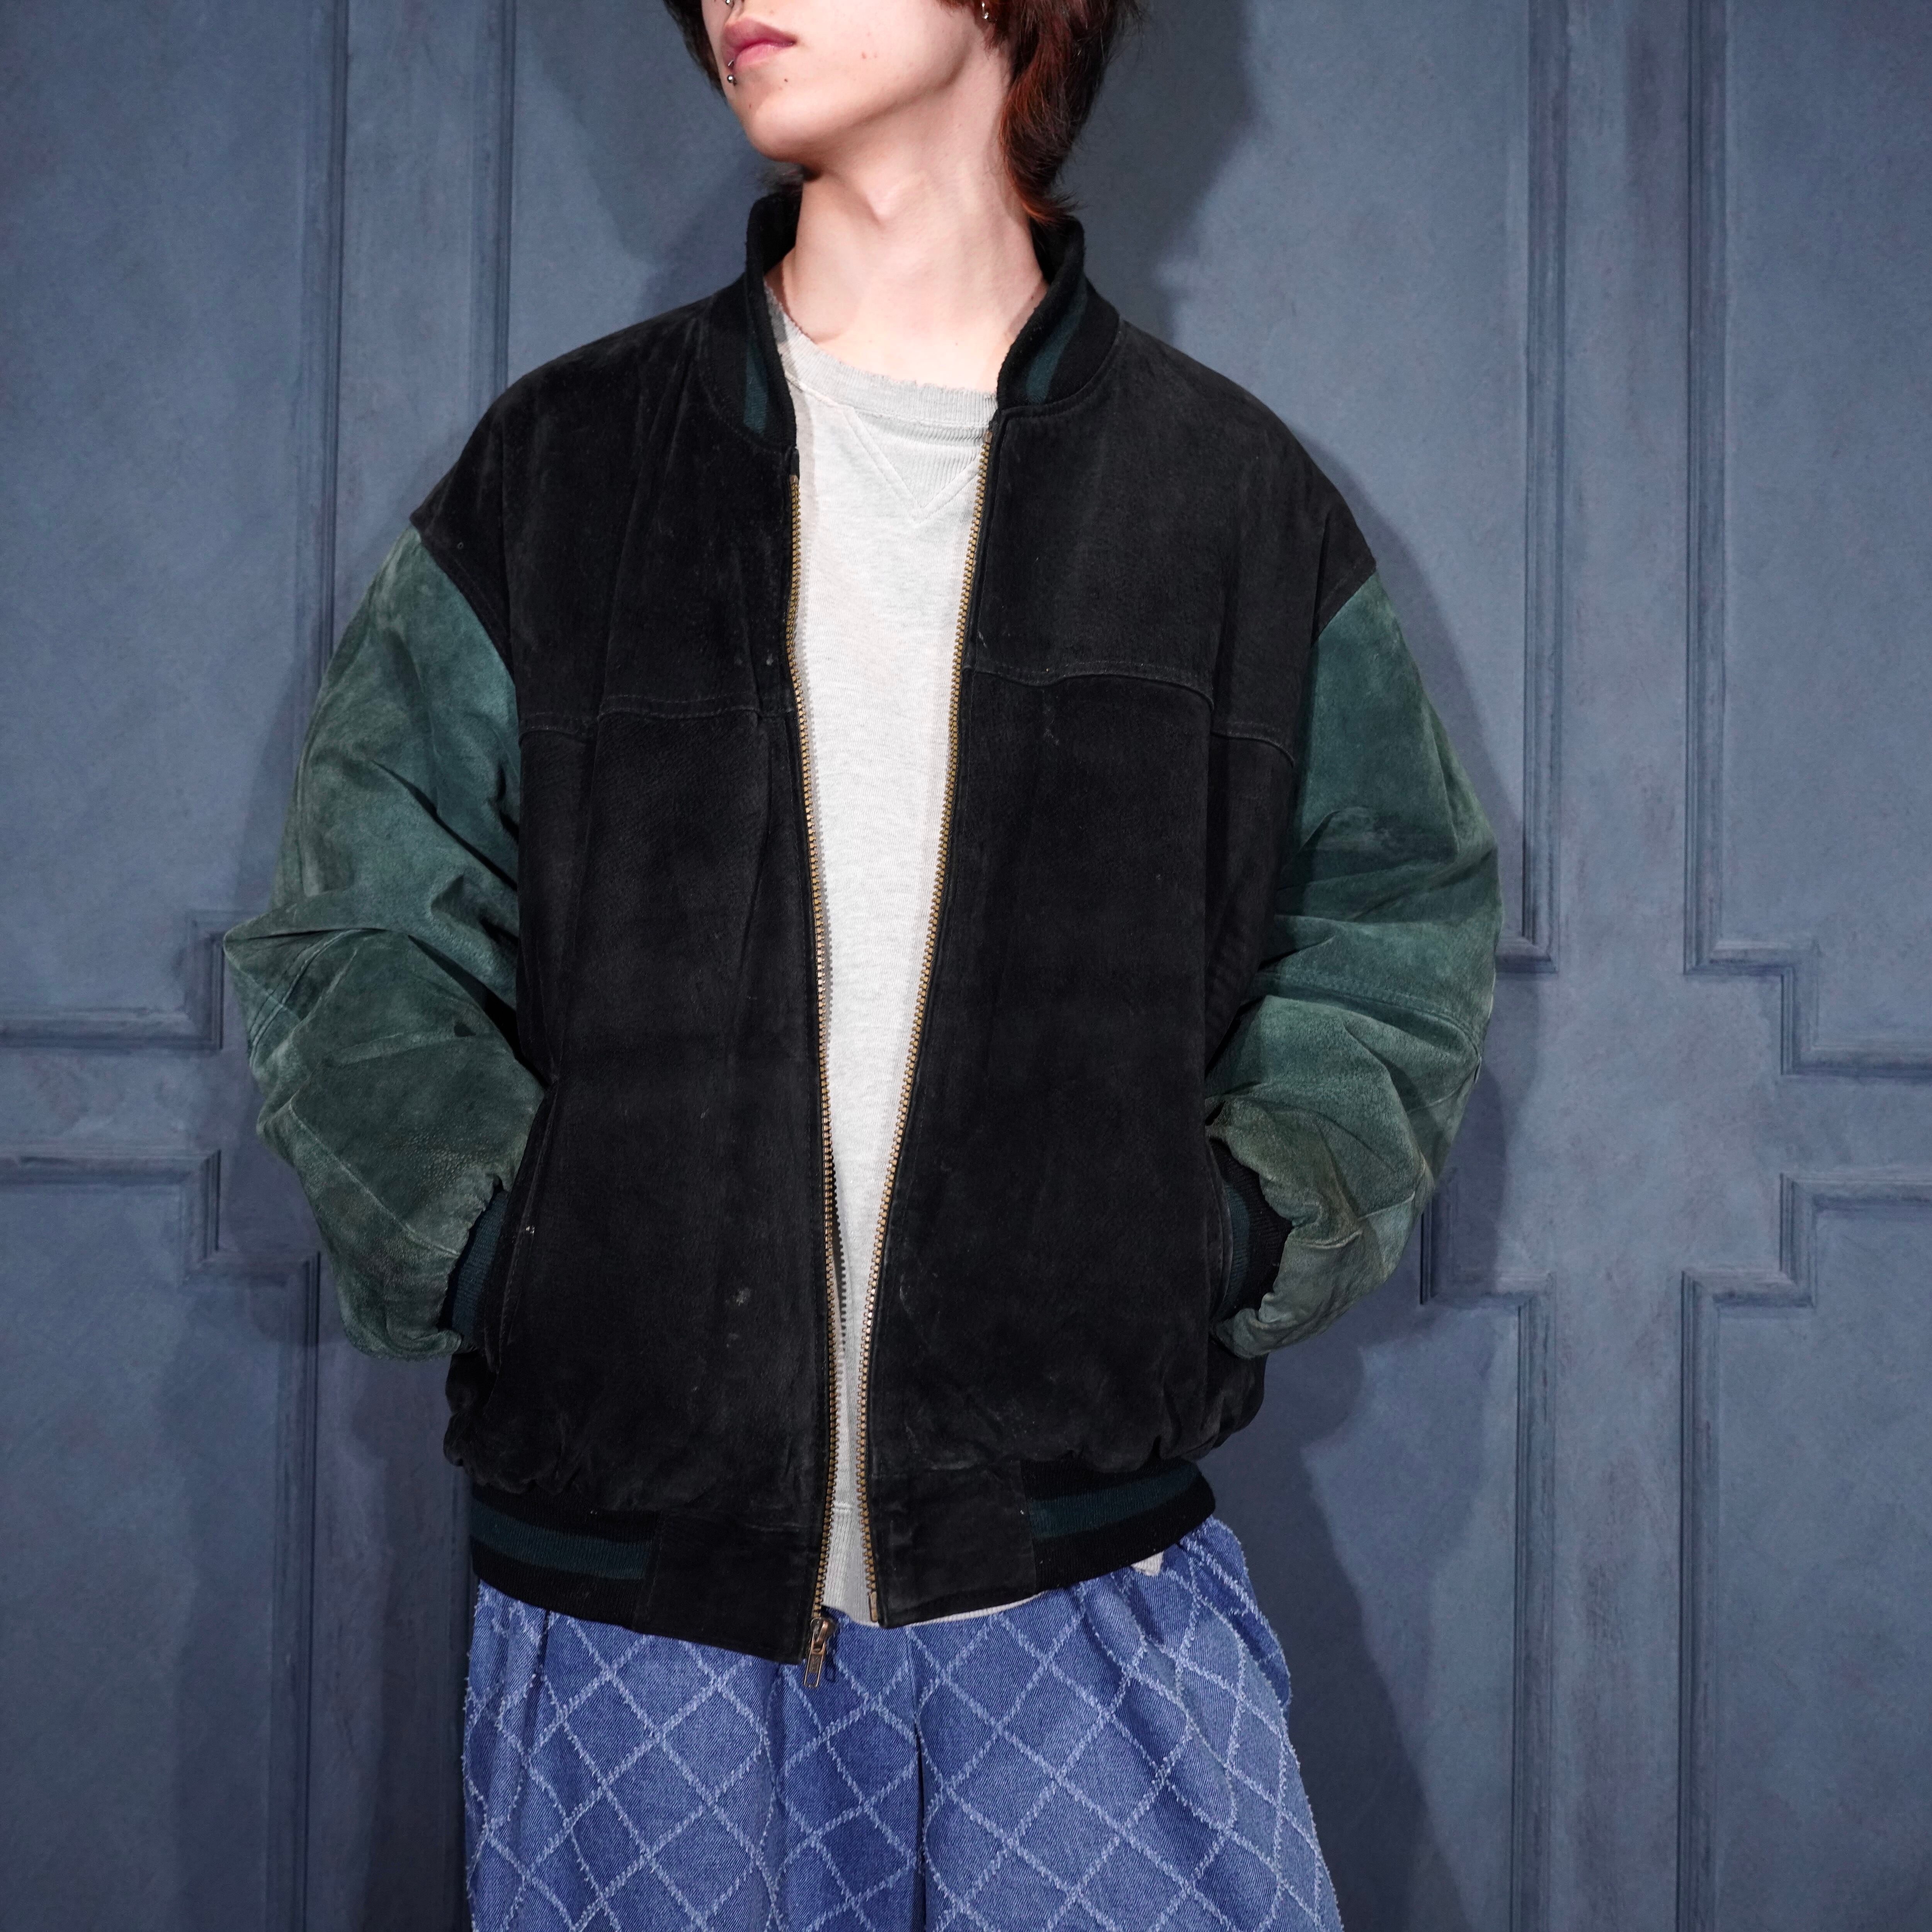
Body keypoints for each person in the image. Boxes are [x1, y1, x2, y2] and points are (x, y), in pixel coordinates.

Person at [224, 0, 1501, 1922]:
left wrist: (1225, 1228)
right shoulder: (562, 470)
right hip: (633, 1608)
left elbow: (1396, 920)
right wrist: (510, 1251)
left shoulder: (1229, 502)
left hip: (1077, 1579)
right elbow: (358, 928)